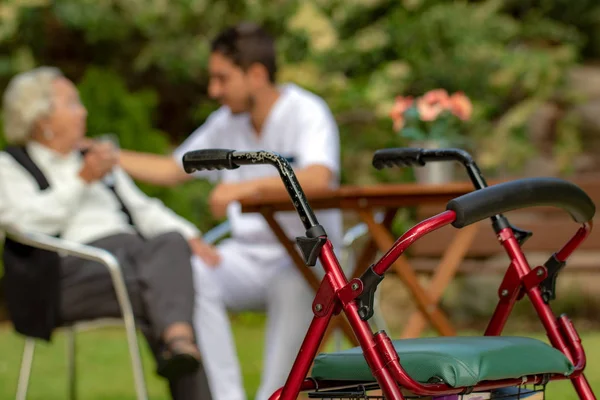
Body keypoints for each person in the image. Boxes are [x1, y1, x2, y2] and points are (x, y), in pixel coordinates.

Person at [118, 22, 344, 400]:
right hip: (247, 256)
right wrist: (110, 157)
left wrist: (245, 187)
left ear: (256, 74)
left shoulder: (306, 110)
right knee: (193, 272)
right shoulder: (226, 122)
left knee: (293, 285)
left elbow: (319, 177)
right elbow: (174, 169)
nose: (213, 91)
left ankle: (274, 395)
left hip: (306, 260)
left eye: (222, 79)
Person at [0, 66, 216, 400]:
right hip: (64, 276)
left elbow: (143, 208)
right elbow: (21, 223)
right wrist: (81, 180)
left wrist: (190, 235)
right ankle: (179, 340)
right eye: (72, 103)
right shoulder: (10, 165)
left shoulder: (93, 157)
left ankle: (177, 339)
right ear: (42, 120)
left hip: (128, 262)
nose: (83, 111)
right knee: (164, 288)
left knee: (169, 247)